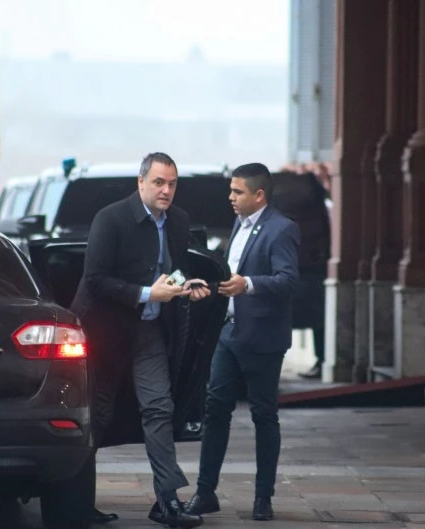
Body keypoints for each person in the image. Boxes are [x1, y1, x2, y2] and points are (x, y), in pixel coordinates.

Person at [70, 152, 209, 528]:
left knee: (159, 407)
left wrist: (184, 286)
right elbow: (95, 280)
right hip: (104, 332)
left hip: (148, 330)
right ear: (141, 182)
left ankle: (167, 501)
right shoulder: (111, 218)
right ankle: (75, 502)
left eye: (172, 184)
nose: (166, 191)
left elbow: (175, 270)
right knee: (96, 415)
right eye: (159, 183)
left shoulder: (178, 220)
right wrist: (149, 293)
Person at [185, 162, 300, 522]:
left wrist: (247, 284)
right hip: (229, 333)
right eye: (231, 190)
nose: (230, 197)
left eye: (238, 191)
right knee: (215, 410)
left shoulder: (281, 229)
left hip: (262, 338)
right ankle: (205, 492)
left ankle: (263, 497)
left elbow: (288, 280)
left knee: (263, 415)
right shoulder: (240, 223)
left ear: (259, 195)